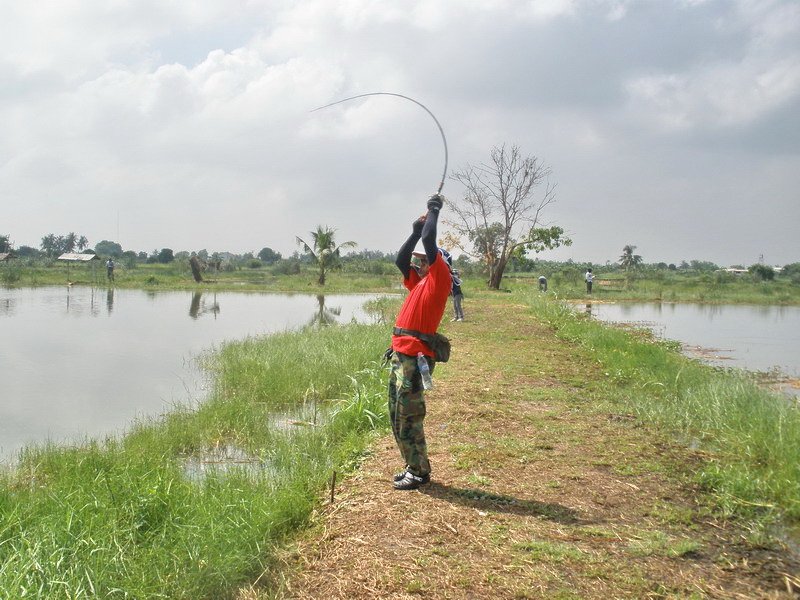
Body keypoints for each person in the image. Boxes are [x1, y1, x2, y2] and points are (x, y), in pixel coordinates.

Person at [389, 194, 451, 490]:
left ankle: (419, 471)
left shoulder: (440, 280)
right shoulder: (419, 281)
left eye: (424, 261)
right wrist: (414, 230)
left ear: (437, 264)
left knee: (410, 417)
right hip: (401, 358)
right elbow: (400, 260)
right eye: (420, 262)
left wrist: (433, 209)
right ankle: (412, 465)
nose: (418, 264)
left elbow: (430, 240)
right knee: (397, 416)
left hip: (415, 361)